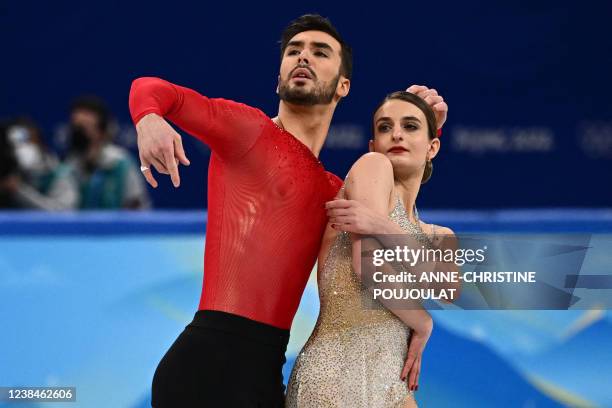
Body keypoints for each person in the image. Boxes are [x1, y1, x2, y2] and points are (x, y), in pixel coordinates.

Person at [129, 14, 448, 407]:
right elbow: (152, 88)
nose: (303, 57)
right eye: (294, 51)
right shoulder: (248, 130)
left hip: (267, 374)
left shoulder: (334, 191)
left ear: (343, 86)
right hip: (208, 365)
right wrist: (148, 120)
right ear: (278, 75)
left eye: (319, 52)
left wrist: (426, 132)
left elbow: (393, 238)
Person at [286, 91, 460, 407]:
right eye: (384, 127)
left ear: (432, 147)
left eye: (410, 126)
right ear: (372, 145)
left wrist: (383, 227)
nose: (396, 134)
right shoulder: (373, 165)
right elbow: (370, 266)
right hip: (334, 377)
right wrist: (423, 322)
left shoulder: (439, 235)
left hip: (390, 384)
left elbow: (450, 288)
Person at [66, 95, 150, 209]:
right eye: (76, 128)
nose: (80, 134)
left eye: (85, 128)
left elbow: (137, 205)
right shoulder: (68, 165)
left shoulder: (121, 163)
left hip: (117, 226)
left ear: (102, 130)